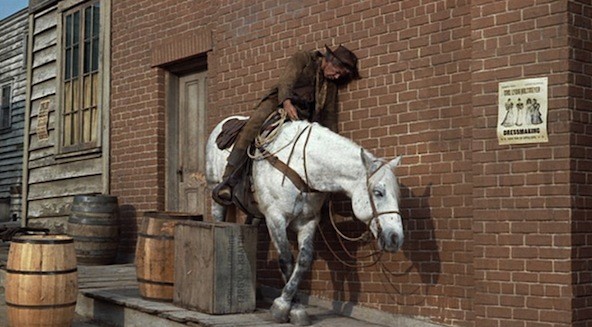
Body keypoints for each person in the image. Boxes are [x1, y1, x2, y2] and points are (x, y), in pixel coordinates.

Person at [212, 44, 360, 205]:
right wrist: (286, 102)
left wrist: (332, 141)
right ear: (329, 60)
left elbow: (330, 116)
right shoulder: (303, 58)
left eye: (341, 75)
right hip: (278, 102)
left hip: (304, 117)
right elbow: (286, 80)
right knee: (254, 125)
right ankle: (228, 179)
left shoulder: (330, 86)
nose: (337, 77)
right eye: (337, 72)